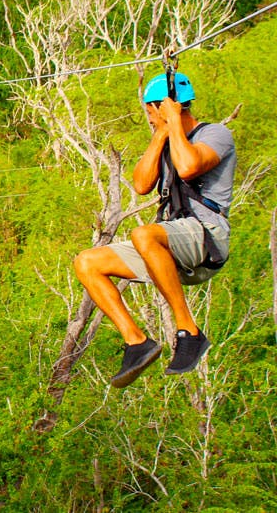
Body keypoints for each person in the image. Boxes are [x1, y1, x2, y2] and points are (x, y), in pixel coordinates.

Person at [73, 71, 236, 388]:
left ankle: (189, 331)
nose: (149, 119)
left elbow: (189, 167)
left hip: (207, 238)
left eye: (151, 112)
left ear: (167, 107)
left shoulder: (216, 134)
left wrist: (173, 124)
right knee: (87, 262)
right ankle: (137, 342)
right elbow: (141, 183)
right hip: (168, 247)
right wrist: (160, 135)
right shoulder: (165, 141)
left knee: (144, 233)